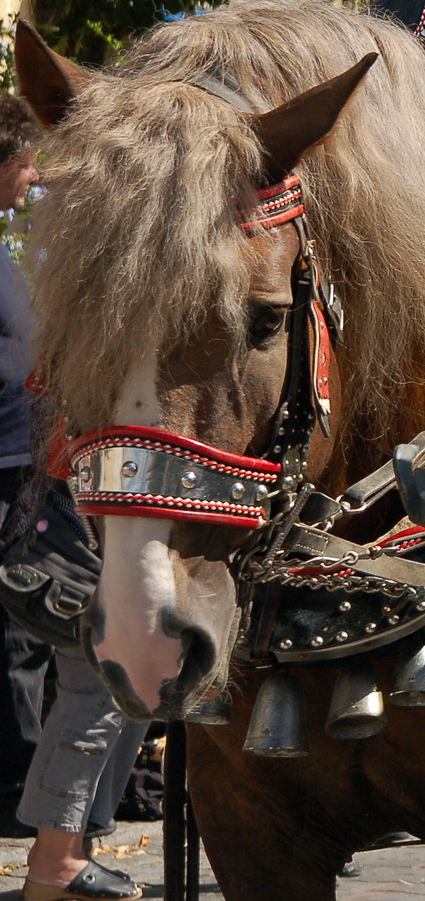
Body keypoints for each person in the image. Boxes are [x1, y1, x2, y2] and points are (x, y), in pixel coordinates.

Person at [0, 92, 147, 901]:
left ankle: (70, 848)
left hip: (64, 493)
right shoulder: (56, 270)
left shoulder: (55, 255)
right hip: (56, 498)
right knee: (102, 673)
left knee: (120, 675)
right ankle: (55, 863)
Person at [0, 92, 48, 839]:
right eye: (28, 160)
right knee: (21, 619)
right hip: (8, 459)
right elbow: (28, 348)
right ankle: (19, 783)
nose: (35, 174)